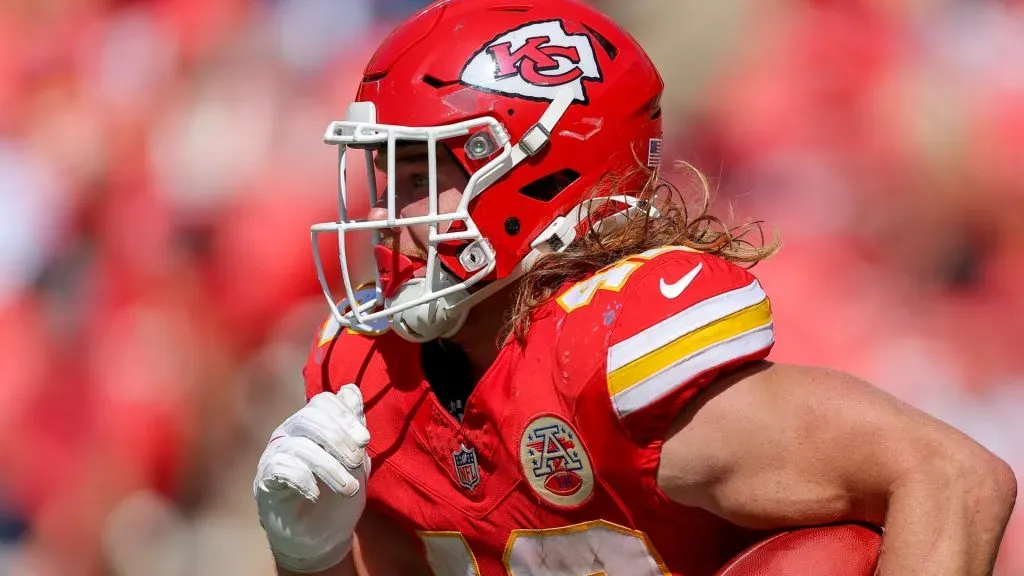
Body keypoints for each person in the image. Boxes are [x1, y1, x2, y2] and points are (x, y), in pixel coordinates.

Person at [252, 0, 1017, 574]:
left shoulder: (608, 357)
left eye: (422, 176)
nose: (389, 216)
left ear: (543, 174)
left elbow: (952, 476)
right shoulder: (373, 376)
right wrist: (308, 560)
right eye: (384, 174)